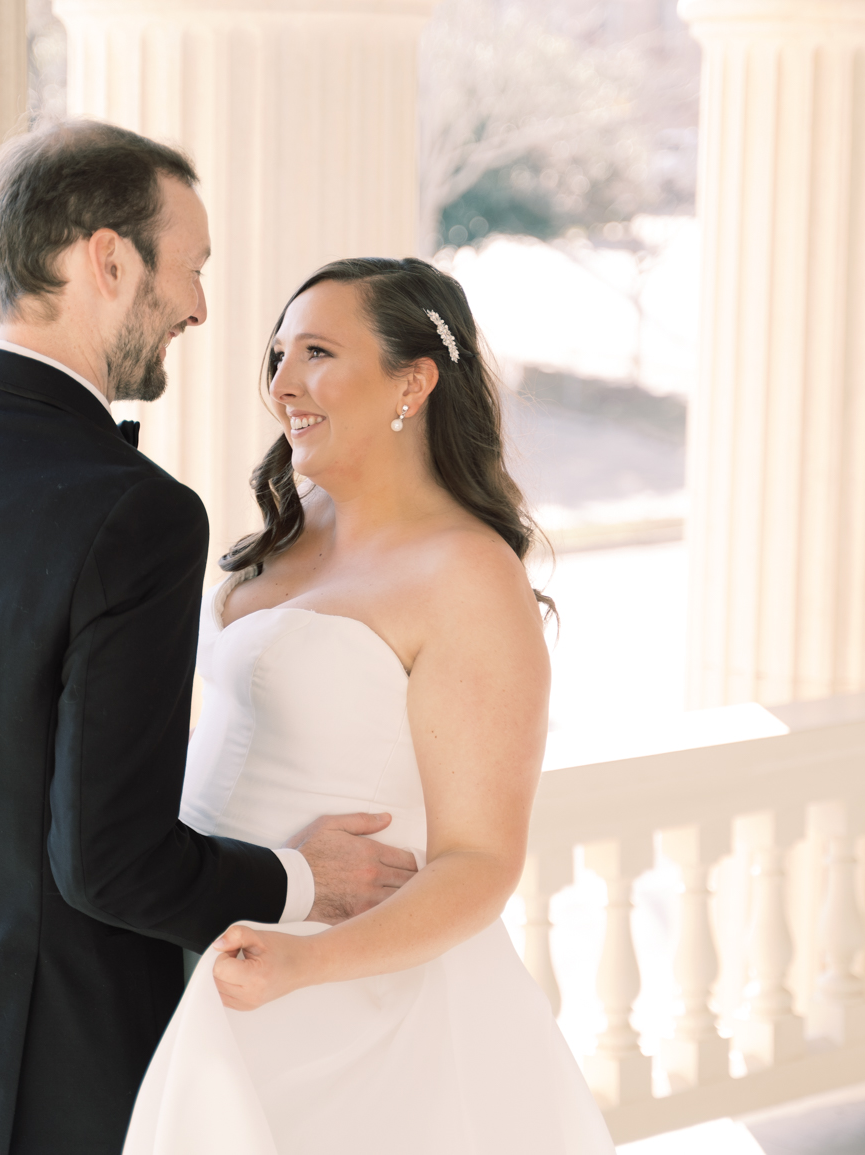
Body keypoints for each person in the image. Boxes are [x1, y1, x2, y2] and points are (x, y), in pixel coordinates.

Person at [0, 122, 418, 1155]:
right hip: (68, 1081)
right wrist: (301, 877)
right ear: (108, 260)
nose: (199, 308)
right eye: (189, 270)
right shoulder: (136, 514)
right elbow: (109, 863)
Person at [124, 258, 615, 1153]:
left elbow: (479, 862)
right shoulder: (286, 525)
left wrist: (307, 961)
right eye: (278, 354)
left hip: (343, 998)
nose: (282, 384)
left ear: (413, 381)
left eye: (317, 352)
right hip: (198, 946)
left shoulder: (466, 575)